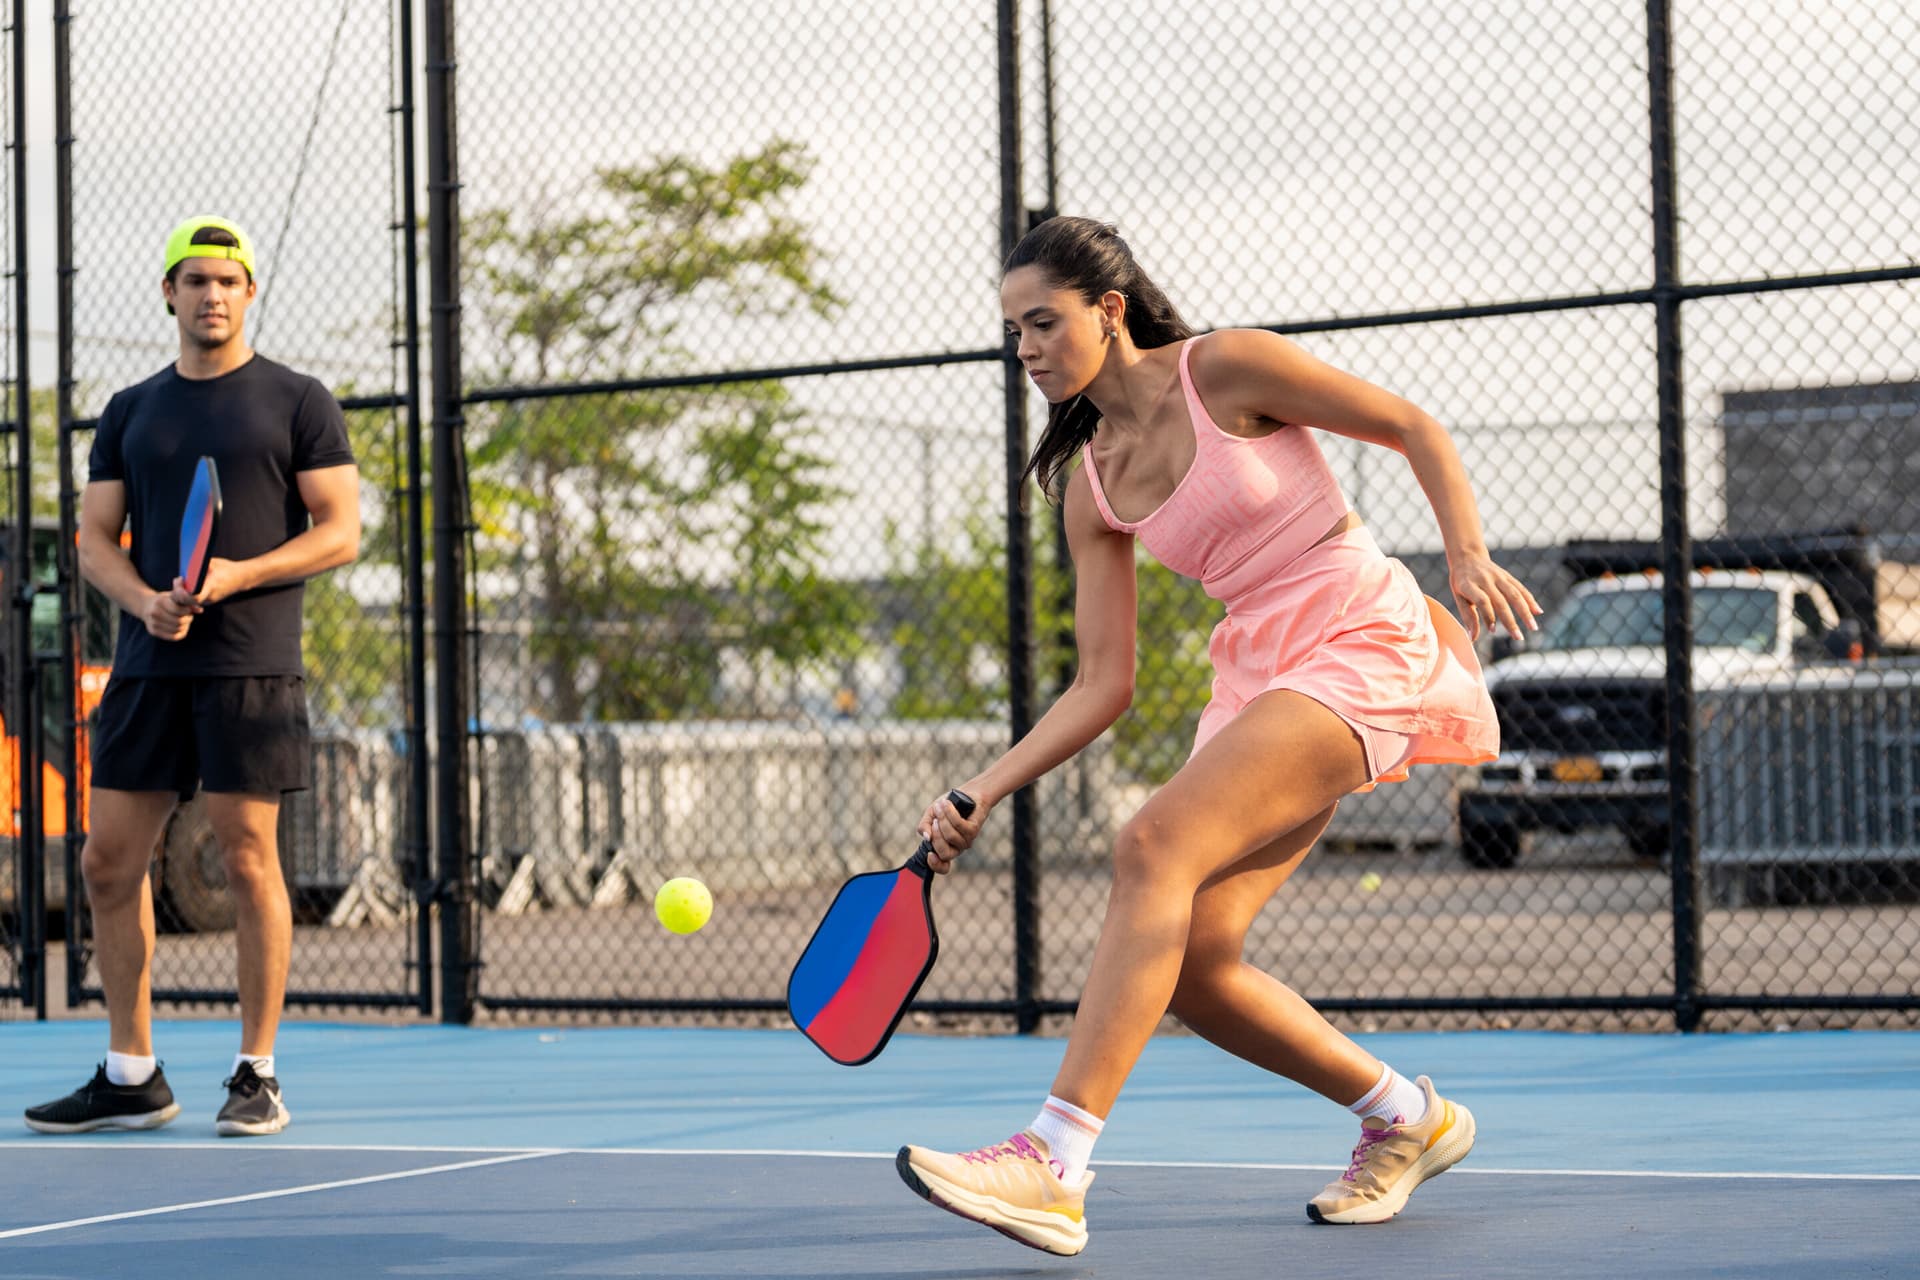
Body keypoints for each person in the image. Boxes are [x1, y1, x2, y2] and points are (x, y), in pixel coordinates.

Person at [894, 217, 1540, 1255]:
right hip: (1257, 672)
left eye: (1045, 322)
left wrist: (1463, 555)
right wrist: (989, 784)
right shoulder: (1090, 485)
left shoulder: (1225, 368)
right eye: (1013, 330)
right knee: (1196, 966)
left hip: (1357, 628)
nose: (1028, 348)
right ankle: (1407, 1118)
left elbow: (1413, 424)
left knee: (1151, 840)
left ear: (1109, 309)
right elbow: (1103, 684)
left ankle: (1054, 1160)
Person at [24, 215, 360, 1137]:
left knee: (248, 857)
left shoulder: (299, 399)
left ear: (251, 294)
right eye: (194, 278)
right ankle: (132, 1073)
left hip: (250, 664)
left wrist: (239, 576)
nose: (212, 293)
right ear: (167, 293)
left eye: (227, 280)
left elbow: (340, 530)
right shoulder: (130, 409)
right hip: (147, 666)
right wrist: (143, 601)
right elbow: (96, 538)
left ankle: (257, 1073)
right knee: (105, 861)